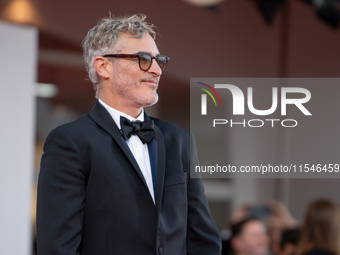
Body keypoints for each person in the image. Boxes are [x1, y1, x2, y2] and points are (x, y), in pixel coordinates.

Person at [36, 14, 221, 255]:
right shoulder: (70, 142)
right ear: (103, 66)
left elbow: (203, 240)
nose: (156, 70)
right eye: (143, 59)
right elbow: (58, 249)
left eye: (159, 60)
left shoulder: (180, 140)